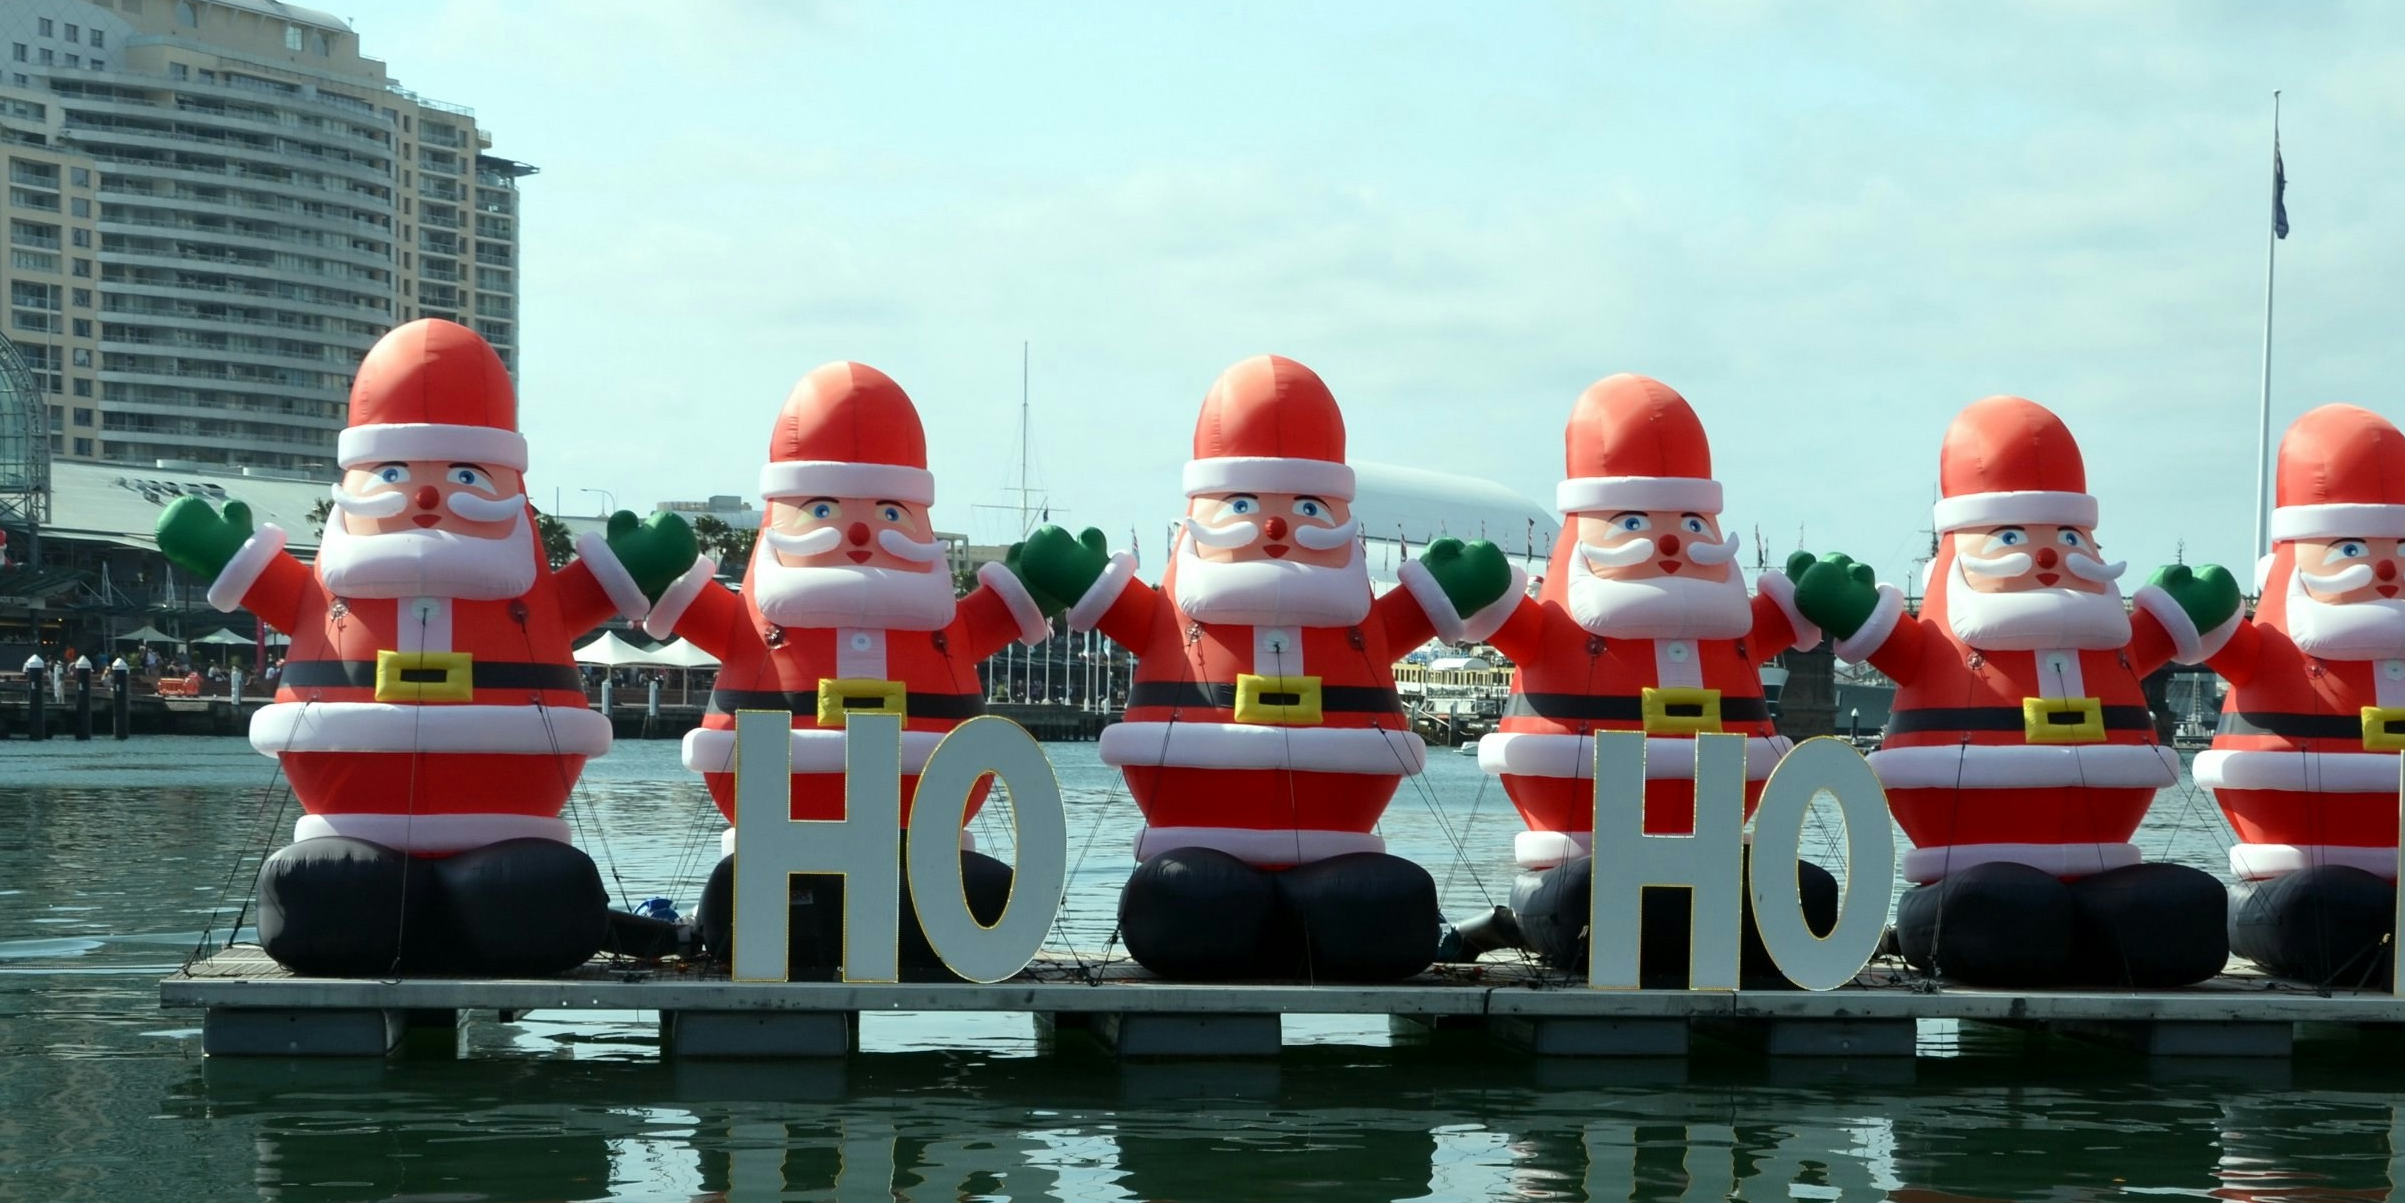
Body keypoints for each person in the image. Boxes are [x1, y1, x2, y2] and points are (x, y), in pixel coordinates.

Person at [153, 318, 697, 975]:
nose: (431, 494)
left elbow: (591, 592)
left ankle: (509, 894)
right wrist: (211, 546)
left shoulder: (526, 586)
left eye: (467, 472)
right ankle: (359, 898)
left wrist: (640, 562)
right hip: (354, 824)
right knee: (332, 891)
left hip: (507, 822)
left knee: (528, 893)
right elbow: (253, 575)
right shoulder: (327, 587)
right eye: (393, 471)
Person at [1010, 355, 1495, 982]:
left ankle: (1337, 913)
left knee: (1376, 906)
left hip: (1338, 842)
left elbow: (1410, 616)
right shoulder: (1175, 611)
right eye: (1241, 502)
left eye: (1308, 509)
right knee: (1193, 901)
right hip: (1197, 844)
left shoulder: (1355, 617)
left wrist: (1450, 590)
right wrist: (1073, 576)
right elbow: (1120, 609)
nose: (1273, 525)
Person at [1784, 395, 2239, 987]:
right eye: (2010, 536)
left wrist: (2184, 612)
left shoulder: (2111, 638)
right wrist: (1845, 606)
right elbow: (1892, 642)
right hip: (1970, 869)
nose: (2048, 554)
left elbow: (2155, 636)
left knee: (2174, 912)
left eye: (2070, 536)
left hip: (2105, 862)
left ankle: (2104, 920)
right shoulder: (1940, 643)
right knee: (2003, 908)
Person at [644, 360, 1044, 978]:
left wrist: (1044, 580)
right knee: (744, 898)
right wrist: (644, 567)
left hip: (927, 848)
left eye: (890, 515)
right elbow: (667, 593)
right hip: (779, 849)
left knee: (990, 894)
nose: (859, 531)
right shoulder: (752, 616)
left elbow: (1008, 608)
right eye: (822, 508)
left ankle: (934, 927)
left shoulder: (942, 621)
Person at [1416, 373, 1821, 981]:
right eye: (1631, 523)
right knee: (1588, 895)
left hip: (1717, 851)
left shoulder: (1732, 623)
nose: (1666, 543)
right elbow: (1508, 622)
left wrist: (1820, 601)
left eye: (1690, 525)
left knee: (1809, 894)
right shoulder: (1558, 617)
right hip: (1584, 855)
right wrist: (1472, 590)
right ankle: (1524, 920)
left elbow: (1789, 620)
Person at [2190, 404, 2405, 986]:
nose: (2387, 570)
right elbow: (2219, 643)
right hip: (2296, 873)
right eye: (2349, 550)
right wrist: (2194, 614)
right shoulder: (2277, 638)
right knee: (2324, 905)